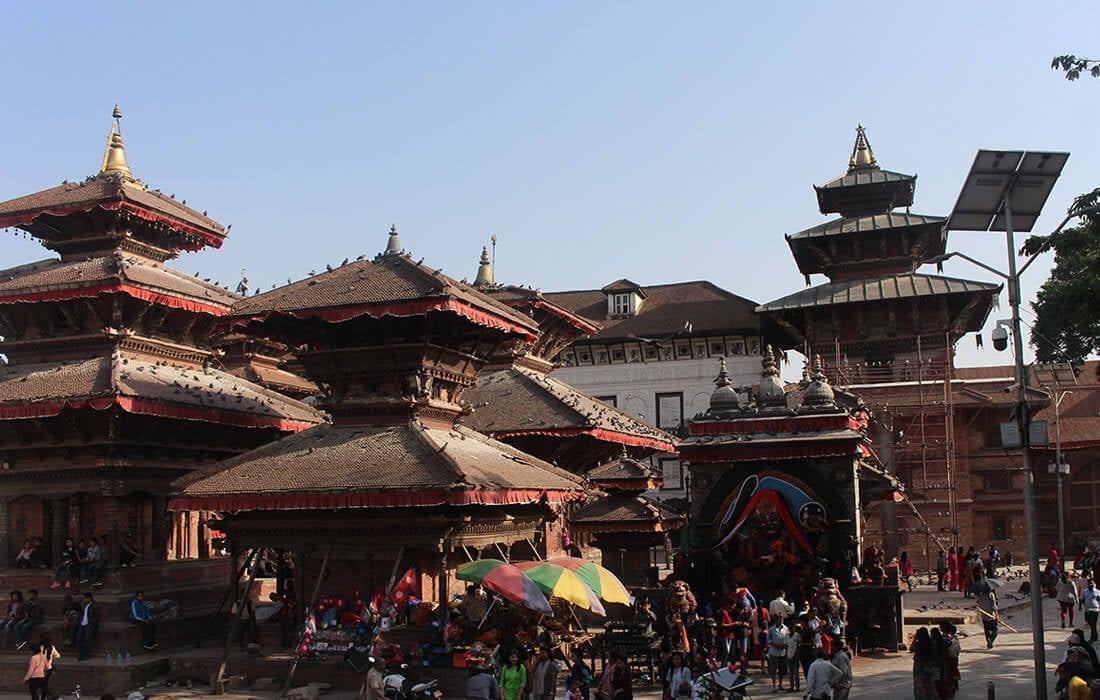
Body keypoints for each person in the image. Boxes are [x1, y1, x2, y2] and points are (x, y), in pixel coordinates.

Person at [909, 627, 938, 700]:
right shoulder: (932, 643)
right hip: (929, 665)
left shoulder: (917, 644)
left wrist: (914, 639)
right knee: (929, 682)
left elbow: (911, 649)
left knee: (919, 683)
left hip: (919, 666)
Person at [936, 622, 961, 699]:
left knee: (948, 675)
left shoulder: (945, 638)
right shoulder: (954, 637)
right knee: (952, 673)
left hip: (947, 659)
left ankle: (948, 690)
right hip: (953, 658)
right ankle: (953, 687)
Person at [75, 591, 101, 661]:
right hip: (82, 624)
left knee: (87, 639)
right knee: (79, 638)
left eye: (84, 598)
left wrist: (93, 624)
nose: (83, 600)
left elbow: (98, 616)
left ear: (89, 598)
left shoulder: (95, 606)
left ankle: (86, 655)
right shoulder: (84, 606)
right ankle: (81, 654)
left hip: (89, 625)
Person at [767, 617, 790, 692]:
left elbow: (788, 638)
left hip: (782, 652)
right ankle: (774, 685)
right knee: (773, 670)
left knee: (782, 669)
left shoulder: (786, 628)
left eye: (781, 620)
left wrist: (785, 645)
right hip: (774, 652)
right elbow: (768, 640)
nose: (780, 621)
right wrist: (774, 644)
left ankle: (780, 684)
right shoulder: (771, 629)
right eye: (779, 620)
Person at [976, 585, 998, 649]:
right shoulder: (991, 595)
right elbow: (994, 606)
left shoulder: (981, 596)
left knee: (987, 630)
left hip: (984, 616)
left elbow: (979, 605)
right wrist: (997, 615)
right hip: (991, 615)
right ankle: (991, 640)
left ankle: (988, 640)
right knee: (995, 630)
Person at [39, 633, 60, 700]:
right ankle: (45, 697)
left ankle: (53, 696)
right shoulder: (52, 647)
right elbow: (58, 656)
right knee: (44, 684)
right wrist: (52, 658)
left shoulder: (41, 648)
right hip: (49, 668)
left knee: (43, 685)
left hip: (42, 668)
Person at [1080, 578, 1100, 642]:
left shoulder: (1097, 592)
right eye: (1089, 583)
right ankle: (1095, 636)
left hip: (1095, 610)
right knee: (1091, 624)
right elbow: (1082, 599)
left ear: (1094, 584)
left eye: (1092, 583)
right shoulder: (1084, 591)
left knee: (1093, 624)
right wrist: (1081, 606)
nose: (1090, 584)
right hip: (1087, 610)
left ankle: (1092, 638)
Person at [786, 621, 802, 693]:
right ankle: (791, 686)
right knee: (791, 672)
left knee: (796, 672)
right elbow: (786, 645)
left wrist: (797, 653)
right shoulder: (787, 636)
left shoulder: (797, 635)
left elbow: (799, 644)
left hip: (795, 655)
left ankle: (797, 687)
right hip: (789, 655)